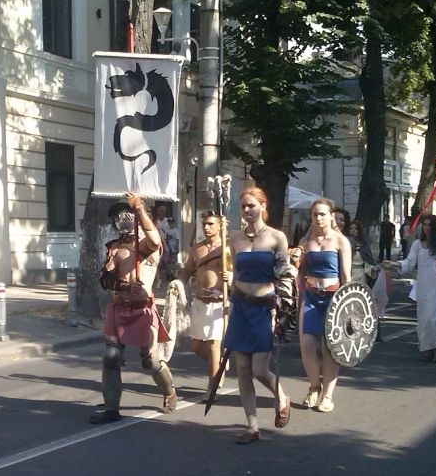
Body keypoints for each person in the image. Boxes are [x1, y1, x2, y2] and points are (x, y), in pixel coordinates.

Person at [90, 193, 177, 424]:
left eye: (126, 214)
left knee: (150, 360)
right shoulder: (114, 247)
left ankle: (169, 391)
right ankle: (111, 409)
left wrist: (139, 207)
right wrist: (118, 280)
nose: (122, 219)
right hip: (118, 308)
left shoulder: (147, 245)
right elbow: (105, 280)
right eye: (119, 215)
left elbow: (155, 240)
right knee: (111, 356)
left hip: (142, 310)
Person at [223, 187, 293, 442]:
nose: (247, 210)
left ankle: (282, 396)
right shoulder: (234, 238)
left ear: (263, 206)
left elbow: (285, 275)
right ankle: (252, 426)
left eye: (251, 205)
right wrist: (229, 304)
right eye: (243, 207)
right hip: (240, 306)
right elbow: (236, 275)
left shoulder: (277, 238)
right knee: (242, 368)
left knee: (259, 369)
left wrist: (281, 310)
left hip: (264, 307)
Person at [383, 214, 436, 362]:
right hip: (423, 285)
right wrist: (394, 264)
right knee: (425, 319)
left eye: (429, 225)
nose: (426, 228)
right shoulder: (417, 245)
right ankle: (428, 346)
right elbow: (409, 263)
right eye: (424, 224)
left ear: (435, 227)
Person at [299, 199, 352, 412]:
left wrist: (347, 307)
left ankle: (327, 396)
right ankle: (314, 386)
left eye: (322, 214)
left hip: (334, 299)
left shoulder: (341, 241)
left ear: (331, 216)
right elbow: (299, 272)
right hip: (311, 297)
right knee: (307, 346)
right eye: (314, 215)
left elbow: (346, 276)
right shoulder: (306, 242)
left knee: (330, 349)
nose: (318, 218)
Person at [180, 211, 230, 393]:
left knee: (213, 345)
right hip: (200, 302)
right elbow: (186, 271)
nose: (206, 227)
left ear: (220, 226)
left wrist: (230, 277)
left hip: (218, 303)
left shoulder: (227, 248)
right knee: (196, 347)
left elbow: (239, 273)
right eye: (204, 224)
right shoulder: (197, 249)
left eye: (210, 224)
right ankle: (219, 365)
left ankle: (212, 387)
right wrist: (178, 284)